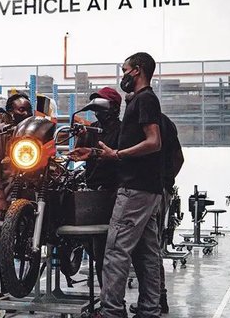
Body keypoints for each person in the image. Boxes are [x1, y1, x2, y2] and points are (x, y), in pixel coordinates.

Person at [90, 52, 163, 318]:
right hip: (147, 189)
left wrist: (118, 155)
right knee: (147, 254)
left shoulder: (145, 99)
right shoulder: (140, 100)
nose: (123, 75)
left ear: (137, 70)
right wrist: (94, 153)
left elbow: (154, 141)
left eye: (125, 70)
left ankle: (111, 311)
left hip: (135, 189)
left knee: (115, 251)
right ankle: (149, 309)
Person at [129, 112, 184, 315]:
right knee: (152, 245)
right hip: (157, 189)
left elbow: (178, 158)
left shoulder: (150, 121)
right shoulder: (160, 121)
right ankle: (157, 298)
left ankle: (155, 300)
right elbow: (178, 158)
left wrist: (162, 183)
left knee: (148, 247)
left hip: (151, 190)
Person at [0, 93, 32, 295]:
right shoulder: (0, 132)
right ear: (10, 111)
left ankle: (7, 292)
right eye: (21, 109)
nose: (26, 113)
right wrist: (1, 198)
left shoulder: (28, 133)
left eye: (28, 110)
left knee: (8, 248)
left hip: (16, 199)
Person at [71, 87, 122, 288]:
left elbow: (122, 156)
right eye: (95, 105)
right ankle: (106, 296)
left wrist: (95, 153)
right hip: (94, 192)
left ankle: (110, 298)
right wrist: (80, 136)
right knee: (96, 248)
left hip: (114, 193)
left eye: (101, 104)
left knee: (109, 251)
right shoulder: (91, 129)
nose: (97, 109)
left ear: (114, 107)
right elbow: (78, 152)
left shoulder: (123, 130)